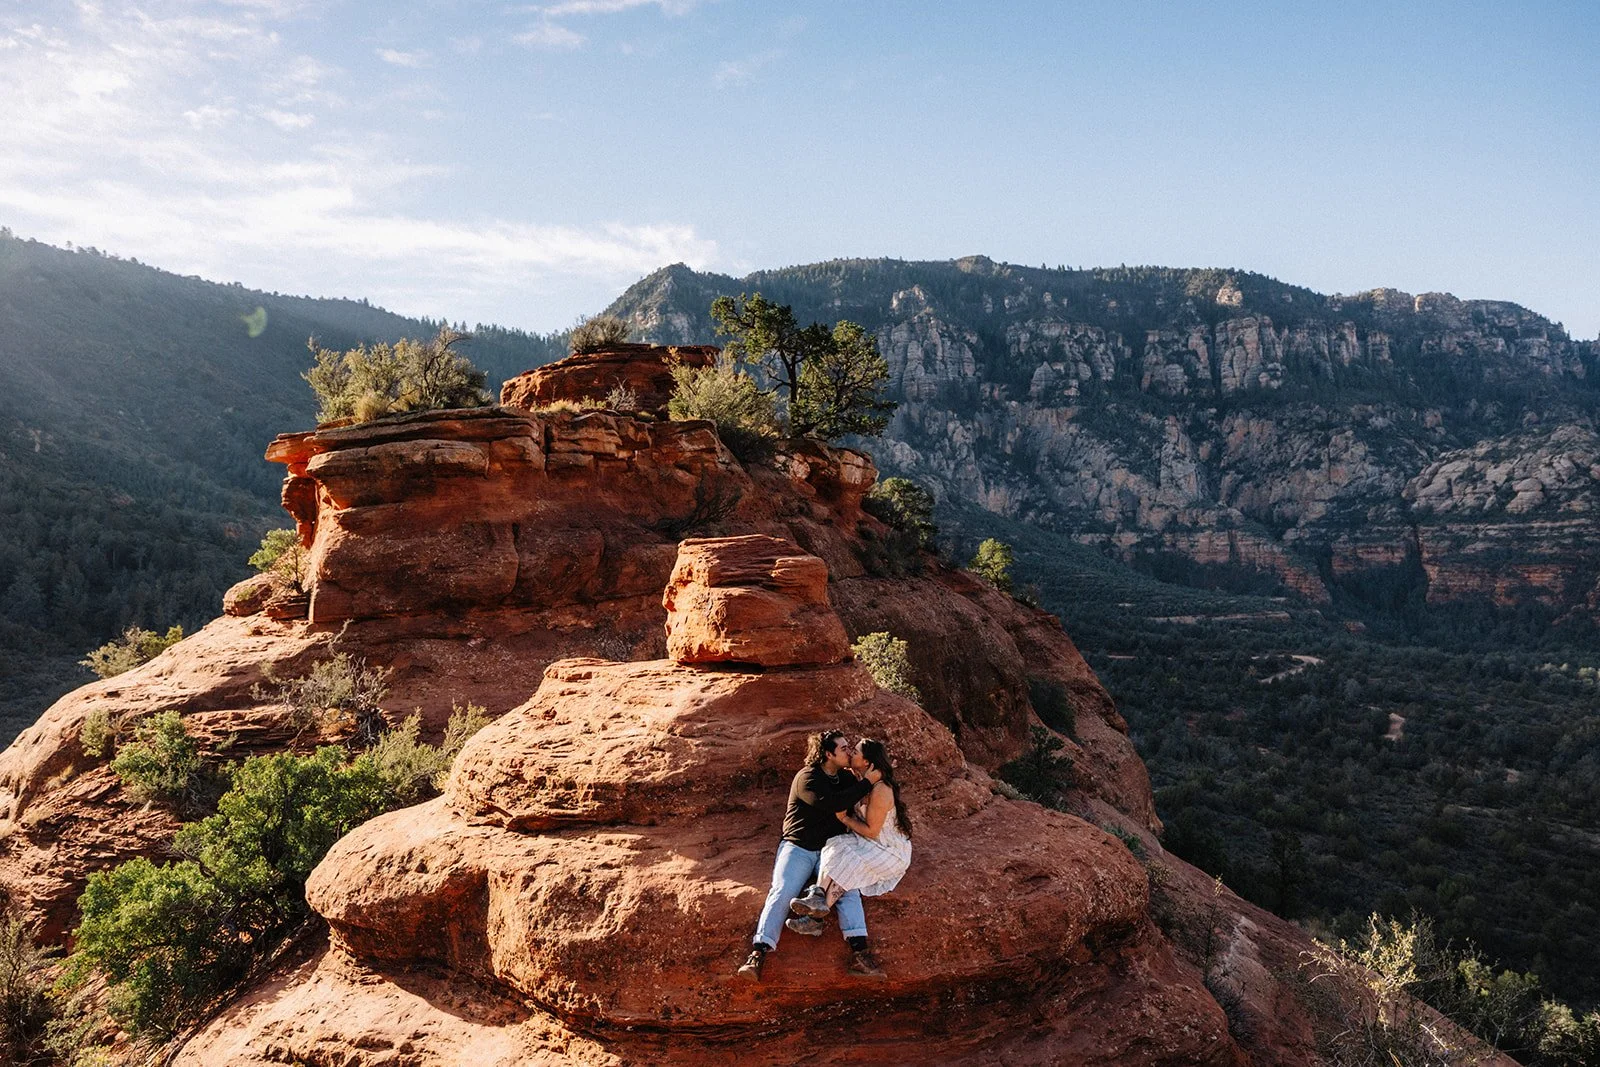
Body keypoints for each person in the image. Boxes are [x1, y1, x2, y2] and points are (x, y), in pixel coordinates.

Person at [737, 729, 882, 980]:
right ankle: (757, 954)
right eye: (843, 748)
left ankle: (861, 956)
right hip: (799, 847)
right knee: (783, 891)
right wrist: (867, 782)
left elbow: (860, 799)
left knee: (849, 890)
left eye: (850, 747)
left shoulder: (846, 779)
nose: (849, 751)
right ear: (828, 753)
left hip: (831, 849)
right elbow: (833, 803)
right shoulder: (807, 778)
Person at [789, 738, 912, 919]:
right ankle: (817, 895)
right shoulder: (859, 779)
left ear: (866, 762)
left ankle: (814, 919)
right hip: (867, 842)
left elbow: (872, 831)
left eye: (854, 752)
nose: (849, 753)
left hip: (887, 848)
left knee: (850, 860)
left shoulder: (880, 790)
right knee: (835, 843)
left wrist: (845, 818)